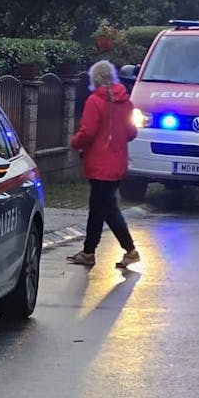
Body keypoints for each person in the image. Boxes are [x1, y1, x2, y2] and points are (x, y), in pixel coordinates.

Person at [66, 61, 141, 271]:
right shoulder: (125, 101)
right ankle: (88, 252)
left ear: (95, 79)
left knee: (107, 209)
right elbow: (132, 132)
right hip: (117, 163)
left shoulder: (95, 101)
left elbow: (87, 132)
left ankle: (130, 250)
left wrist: (75, 143)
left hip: (99, 164)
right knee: (97, 209)